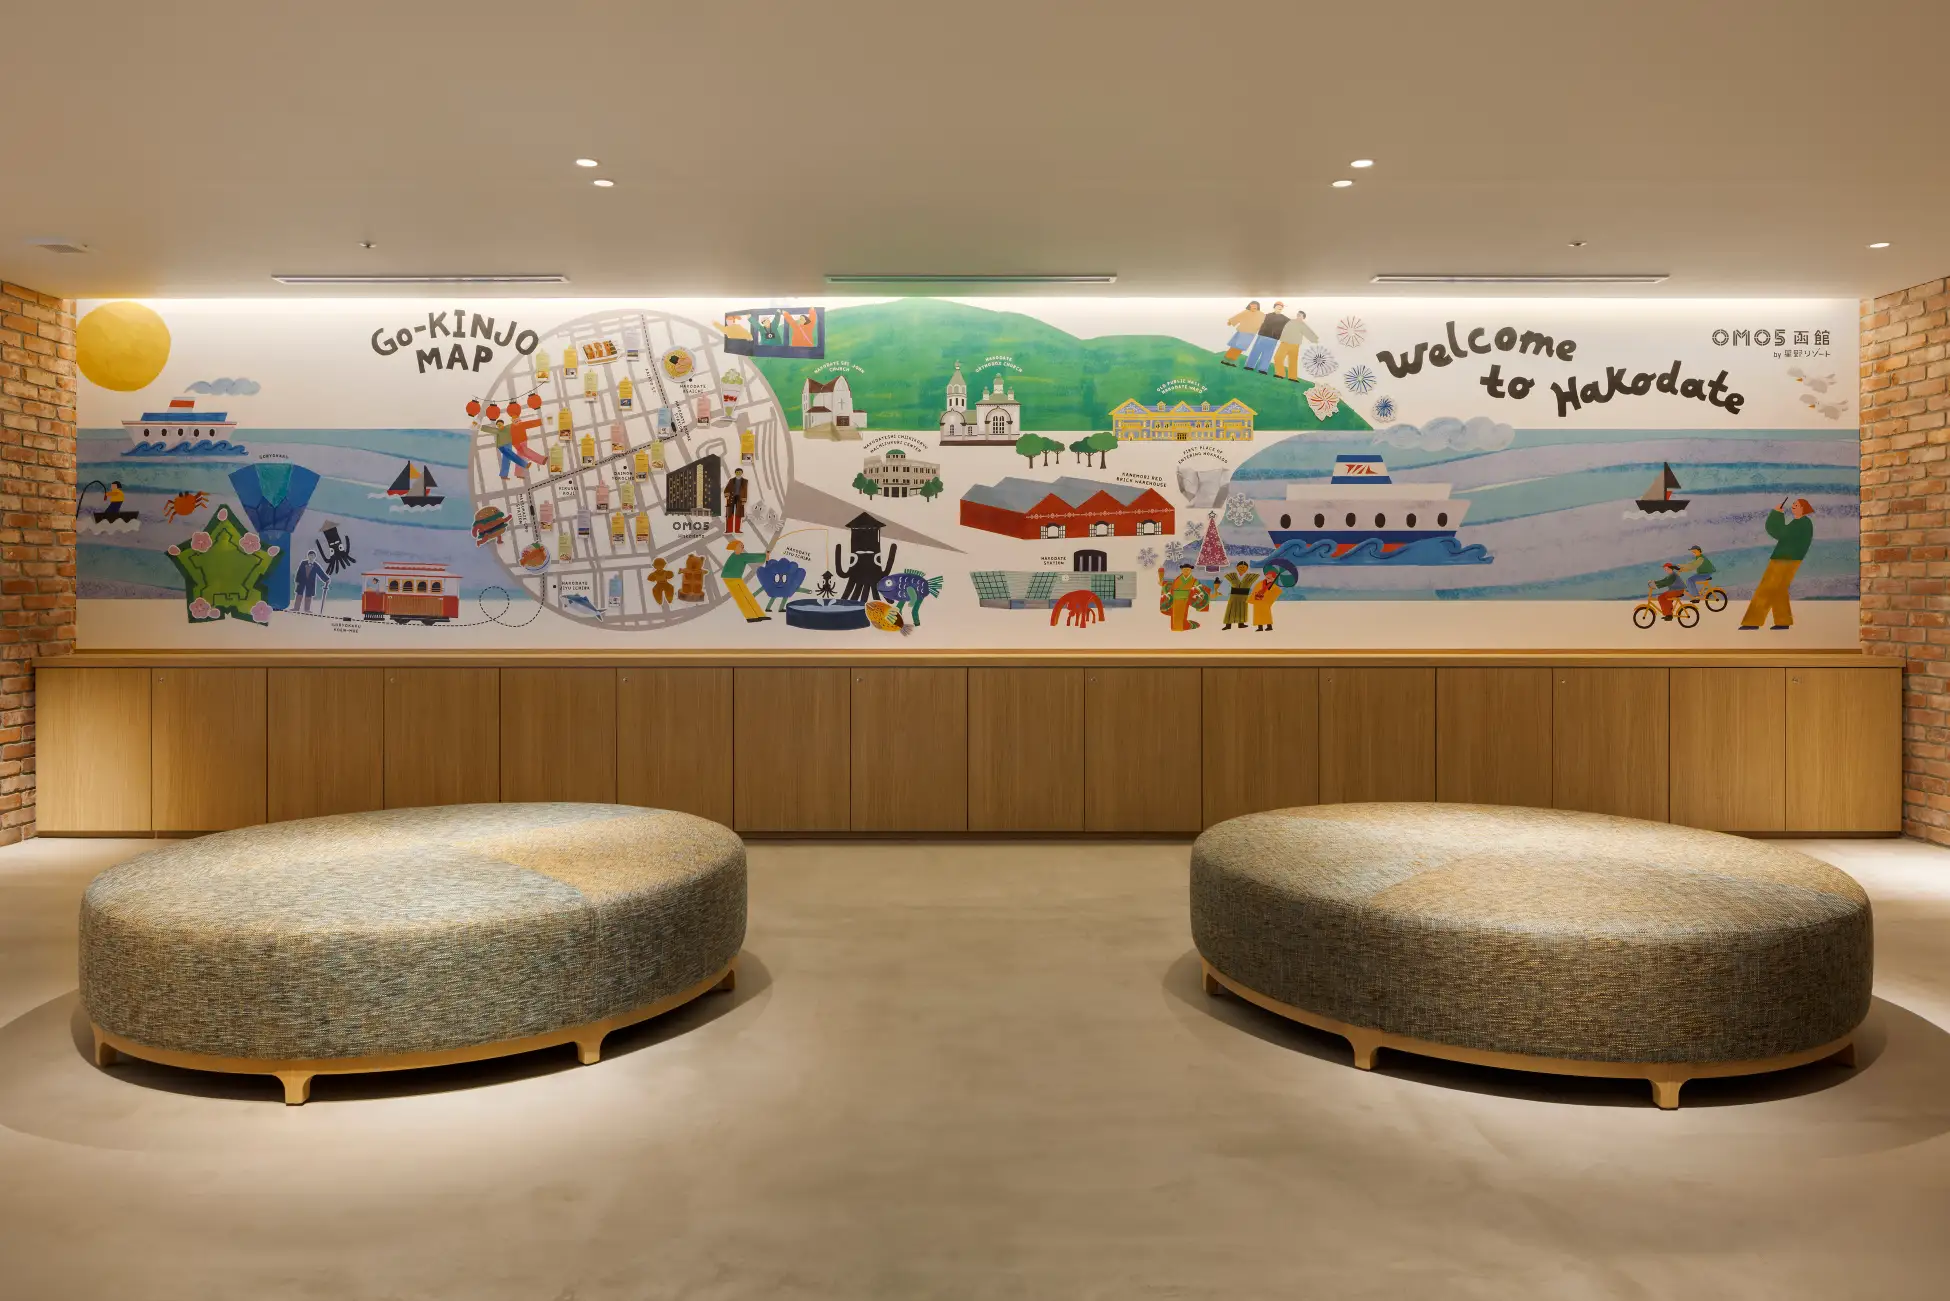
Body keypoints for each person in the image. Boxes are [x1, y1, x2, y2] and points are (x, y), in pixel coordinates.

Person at [1740, 498, 1815, 631]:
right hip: (1790, 559)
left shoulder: (1802, 523)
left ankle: (1752, 621)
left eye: (1796, 505)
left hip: (1784, 559)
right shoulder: (1800, 522)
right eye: (1793, 505)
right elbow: (1784, 534)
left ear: (1804, 508)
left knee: (1766, 588)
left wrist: (1776, 514)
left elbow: (1780, 533)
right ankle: (1783, 621)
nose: (1793, 507)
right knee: (1779, 590)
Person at [1158, 562, 1208, 631]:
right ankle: (1179, 626)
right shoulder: (1177, 579)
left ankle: (1186, 625)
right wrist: (1164, 583)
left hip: (1186, 599)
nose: (1186, 571)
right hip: (1175, 599)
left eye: (1188, 569)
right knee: (1175, 614)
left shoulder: (1194, 580)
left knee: (1182, 614)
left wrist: (1195, 592)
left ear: (1191, 570)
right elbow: (1172, 586)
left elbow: (1198, 588)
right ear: (1182, 570)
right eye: (1184, 569)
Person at [1271, 310, 1318, 381]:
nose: (1298, 315)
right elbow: (1283, 329)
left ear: (1303, 317)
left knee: (1293, 361)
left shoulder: (1303, 325)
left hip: (1295, 345)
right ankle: (1280, 374)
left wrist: (1316, 340)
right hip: (1285, 343)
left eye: (1300, 315)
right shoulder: (1290, 321)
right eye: (1298, 314)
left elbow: (1309, 333)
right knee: (1278, 358)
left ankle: (1292, 377)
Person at [1245, 301, 1288, 373]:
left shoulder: (1285, 319)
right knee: (1255, 351)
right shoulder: (1266, 315)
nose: (1280, 308)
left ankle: (1262, 369)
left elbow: (1290, 326)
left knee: (1268, 354)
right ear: (1274, 307)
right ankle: (1249, 366)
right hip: (1262, 336)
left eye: (1281, 307)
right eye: (1278, 306)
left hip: (1273, 339)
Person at [1221, 301, 1263, 366]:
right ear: (1250, 305)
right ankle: (1225, 359)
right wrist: (1230, 322)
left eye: (1256, 305)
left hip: (1250, 334)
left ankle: (1232, 361)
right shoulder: (1246, 312)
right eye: (1252, 305)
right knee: (1234, 346)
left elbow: (1264, 323)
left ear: (1258, 306)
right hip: (1242, 332)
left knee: (1240, 347)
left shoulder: (1261, 314)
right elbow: (1238, 317)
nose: (1254, 306)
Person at [1219, 561, 1255, 629]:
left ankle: (1241, 624)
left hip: (1244, 596)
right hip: (1234, 596)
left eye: (1244, 567)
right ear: (1237, 567)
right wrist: (1222, 592)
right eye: (1240, 567)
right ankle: (1228, 625)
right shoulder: (1232, 576)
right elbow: (1226, 585)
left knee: (1243, 610)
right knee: (1230, 610)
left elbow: (1253, 587)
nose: (1242, 568)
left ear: (1247, 568)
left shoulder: (1250, 577)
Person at [1248, 567, 1282, 631]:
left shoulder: (1273, 586)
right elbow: (1255, 590)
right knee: (1258, 614)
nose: (1267, 579)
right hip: (1258, 601)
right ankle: (1260, 627)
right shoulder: (1260, 583)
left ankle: (1269, 626)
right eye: (1267, 577)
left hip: (1265, 602)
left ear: (1273, 578)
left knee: (1266, 614)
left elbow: (1277, 592)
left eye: (1269, 578)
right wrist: (1257, 594)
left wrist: (1270, 591)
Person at [724, 467, 749, 534]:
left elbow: (745, 491)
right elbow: (727, 488)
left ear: (742, 473)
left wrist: (744, 500)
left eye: (740, 472)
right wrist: (727, 495)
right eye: (737, 472)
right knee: (729, 514)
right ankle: (729, 530)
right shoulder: (731, 480)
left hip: (740, 499)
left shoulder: (745, 481)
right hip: (731, 498)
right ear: (735, 473)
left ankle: (737, 530)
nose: (738, 473)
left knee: (738, 514)